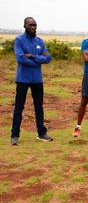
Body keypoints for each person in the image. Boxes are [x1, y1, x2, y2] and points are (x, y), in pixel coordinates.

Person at [11, 17, 52, 145]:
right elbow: (20, 59)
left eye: (35, 25)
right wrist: (38, 61)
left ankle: (41, 133)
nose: (33, 27)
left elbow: (48, 58)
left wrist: (34, 56)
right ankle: (15, 135)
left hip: (37, 80)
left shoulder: (40, 41)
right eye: (30, 25)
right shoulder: (19, 40)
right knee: (19, 108)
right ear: (25, 26)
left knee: (39, 107)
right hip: (23, 79)